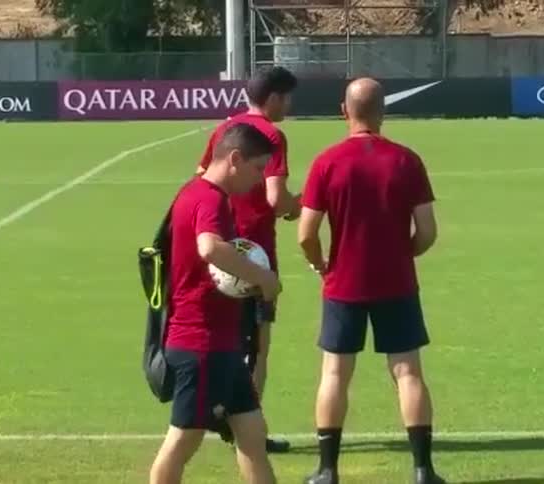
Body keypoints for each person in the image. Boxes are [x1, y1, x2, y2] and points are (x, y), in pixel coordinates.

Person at [297, 78, 446, 484]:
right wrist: (403, 253)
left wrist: (320, 263)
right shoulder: (406, 160)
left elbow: (306, 233)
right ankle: (423, 470)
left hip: (343, 282)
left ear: (343, 111)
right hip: (397, 282)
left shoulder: (326, 162)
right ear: (383, 111)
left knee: (334, 374)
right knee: (408, 372)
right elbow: (427, 231)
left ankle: (327, 470)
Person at [149, 123, 282, 484]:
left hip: (223, 343)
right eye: (258, 168)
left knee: (252, 436)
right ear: (235, 159)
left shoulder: (194, 192)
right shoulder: (210, 199)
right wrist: (262, 277)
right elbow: (209, 248)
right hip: (201, 345)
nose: (260, 179)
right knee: (181, 443)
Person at [197, 66, 302, 453]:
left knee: (221, 334)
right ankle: (247, 429)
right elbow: (276, 199)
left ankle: (215, 408)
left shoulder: (225, 129)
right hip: (255, 253)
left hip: (218, 245)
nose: (289, 106)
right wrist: (299, 205)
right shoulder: (270, 136)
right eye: (287, 98)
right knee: (258, 345)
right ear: (273, 98)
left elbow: (202, 174)